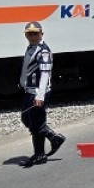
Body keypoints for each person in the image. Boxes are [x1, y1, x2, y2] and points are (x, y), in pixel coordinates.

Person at [19, 21, 66, 166]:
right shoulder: (31, 49)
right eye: (29, 34)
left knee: (36, 123)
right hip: (30, 90)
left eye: (35, 34)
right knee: (28, 119)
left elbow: (45, 74)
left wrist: (40, 96)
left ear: (41, 34)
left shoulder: (43, 51)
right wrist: (22, 83)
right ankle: (45, 147)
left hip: (39, 92)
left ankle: (47, 145)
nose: (32, 37)